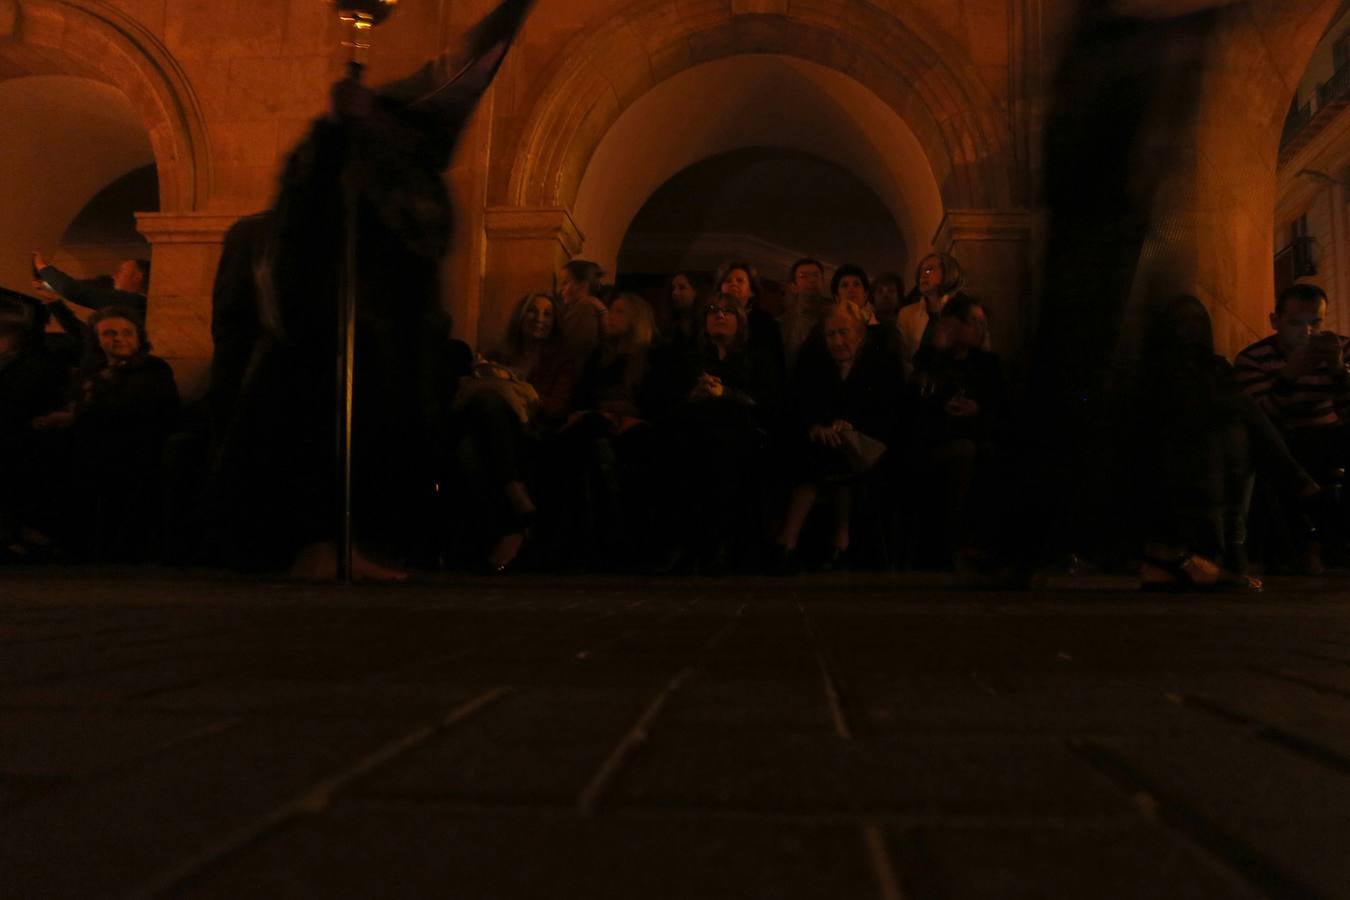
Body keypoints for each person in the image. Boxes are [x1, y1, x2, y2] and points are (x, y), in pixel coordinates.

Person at [205, 0, 536, 578]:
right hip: (327, 328)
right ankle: (314, 543)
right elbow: (299, 233)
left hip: (388, 335)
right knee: (314, 427)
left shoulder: (410, 173)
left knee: (387, 435)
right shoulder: (334, 152)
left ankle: (363, 541)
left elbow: (424, 241)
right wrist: (345, 133)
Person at [1138, 295, 1318, 591]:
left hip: (1241, 438)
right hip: (1191, 441)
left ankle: (1223, 549)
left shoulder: (1216, 367)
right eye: (1181, 322)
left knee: (1239, 427)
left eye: (1196, 321)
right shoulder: (1160, 372)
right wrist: (1288, 377)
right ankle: (1298, 485)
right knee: (1238, 420)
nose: (1189, 329)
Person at [31, 307, 179, 559]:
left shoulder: (153, 369)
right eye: (109, 333)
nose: (119, 338)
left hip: (131, 444)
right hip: (89, 439)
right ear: (97, 340)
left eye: (126, 333)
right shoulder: (93, 372)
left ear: (139, 337)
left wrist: (76, 418)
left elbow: (140, 408)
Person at [653, 293, 778, 572]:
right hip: (694, 434)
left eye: (727, 311)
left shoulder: (757, 358)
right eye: (712, 310)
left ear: (740, 321)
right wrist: (693, 396)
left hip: (743, 435)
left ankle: (720, 545)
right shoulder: (690, 360)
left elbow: (766, 402)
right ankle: (684, 544)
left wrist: (725, 394)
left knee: (722, 450)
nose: (719, 315)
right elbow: (670, 403)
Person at [772, 301, 901, 571]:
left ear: (860, 334)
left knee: (837, 451)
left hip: (869, 445)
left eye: (844, 332)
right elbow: (798, 405)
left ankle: (790, 540)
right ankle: (832, 542)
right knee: (823, 449)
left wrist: (852, 427)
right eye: (831, 334)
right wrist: (817, 426)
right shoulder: (814, 363)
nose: (837, 340)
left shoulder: (880, 365)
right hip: (824, 441)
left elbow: (888, 412)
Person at [1233, 282, 1350, 570]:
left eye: (1315, 322)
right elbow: (1260, 418)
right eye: (1296, 323)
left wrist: (1338, 372)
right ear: (1276, 321)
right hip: (1286, 441)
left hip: (1330, 432)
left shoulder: (1341, 349)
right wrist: (1287, 376)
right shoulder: (1254, 359)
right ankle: (1313, 541)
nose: (1306, 332)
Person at [455, 292, 574, 572]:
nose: (539, 319)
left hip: (533, 431)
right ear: (521, 317)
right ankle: (512, 518)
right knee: (470, 441)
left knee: (482, 425)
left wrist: (518, 389)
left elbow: (557, 408)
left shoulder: (559, 361)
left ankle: (509, 521)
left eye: (547, 314)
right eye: (533, 312)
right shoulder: (499, 354)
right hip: (496, 432)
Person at [909, 295, 1005, 567]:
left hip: (977, 438)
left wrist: (978, 409)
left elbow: (1000, 406)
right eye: (972, 322)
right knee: (962, 454)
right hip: (936, 442)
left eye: (982, 323)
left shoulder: (987, 364)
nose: (979, 328)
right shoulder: (929, 358)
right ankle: (948, 545)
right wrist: (942, 401)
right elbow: (915, 405)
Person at [0, 301, 68, 559]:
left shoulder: (33, 366)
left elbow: (17, 406)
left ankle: (13, 533)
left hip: (24, 438)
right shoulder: (24, 364)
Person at [717, 260, 785, 387]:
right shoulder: (713, 318)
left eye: (740, 281)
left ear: (751, 291)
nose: (733, 284)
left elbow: (775, 365)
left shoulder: (766, 323)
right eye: (728, 280)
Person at [898, 252, 964, 379]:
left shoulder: (962, 310)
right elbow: (903, 357)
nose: (923, 275)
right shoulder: (907, 314)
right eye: (921, 271)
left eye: (930, 270)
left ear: (947, 273)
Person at [31, 252, 149, 317]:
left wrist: (41, 266)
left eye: (120, 271)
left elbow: (72, 289)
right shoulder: (134, 304)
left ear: (137, 277)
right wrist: (54, 302)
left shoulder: (133, 302)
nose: (114, 276)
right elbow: (84, 336)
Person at [778, 258, 831, 373]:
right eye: (804, 276)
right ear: (793, 286)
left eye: (816, 276)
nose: (811, 280)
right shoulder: (781, 324)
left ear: (823, 283)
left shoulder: (832, 321)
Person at [558, 259, 609, 364]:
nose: (561, 288)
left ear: (582, 286)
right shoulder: (584, 306)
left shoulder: (584, 307)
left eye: (565, 282)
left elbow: (570, 350)